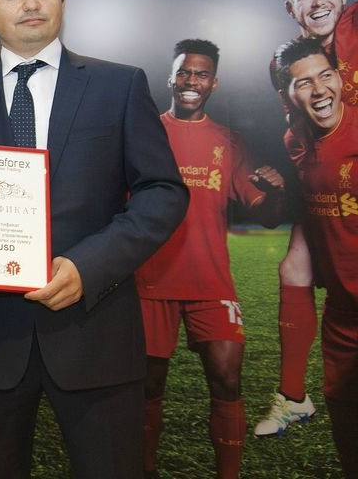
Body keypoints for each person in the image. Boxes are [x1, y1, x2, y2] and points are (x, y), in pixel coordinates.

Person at [0, 0, 189, 478]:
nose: (30, 3)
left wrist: (90, 266)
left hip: (96, 333)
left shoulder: (119, 85)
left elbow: (163, 191)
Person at [138, 40, 285, 478]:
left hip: (211, 282)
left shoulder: (229, 141)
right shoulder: (145, 133)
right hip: (151, 281)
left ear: (214, 83)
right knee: (147, 386)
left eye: (201, 74)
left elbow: (268, 217)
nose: (191, 81)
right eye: (184, 72)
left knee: (227, 379)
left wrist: (277, 192)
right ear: (170, 78)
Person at [256, 0, 358, 433]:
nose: (317, 3)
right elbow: (300, 136)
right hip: (336, 178)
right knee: (295, 264)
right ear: (290, 9)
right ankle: (294, 394)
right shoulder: (290, 63)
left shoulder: (357, 27)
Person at [273, 37, 358, 477]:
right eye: (304, 83)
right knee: (344, 413)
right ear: (288, 96)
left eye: (326, 76)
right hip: (342, 313)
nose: (320, 89)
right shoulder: (295, 140)